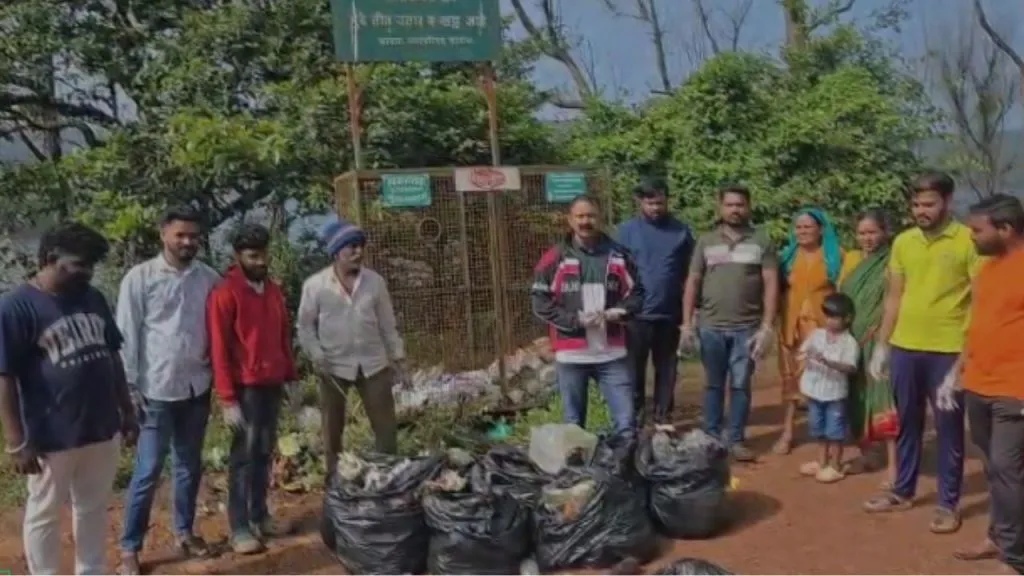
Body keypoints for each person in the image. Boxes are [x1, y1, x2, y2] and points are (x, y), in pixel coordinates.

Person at [0, 223, 139, 575]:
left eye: (92, 265)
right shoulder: (16, 307)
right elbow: (5, 376)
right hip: (51, 434)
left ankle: (90, 570)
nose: (88, 272)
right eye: (79, 264)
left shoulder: (92, 297)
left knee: (92, 507)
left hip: (101, 425)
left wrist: (126, 408)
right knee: (44, 511)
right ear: (49, 259)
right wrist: (16, 441)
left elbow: (112, 355)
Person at [863, 172, 980, 535]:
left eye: (928, 203)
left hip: (948, 350)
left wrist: (966, 356)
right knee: (907, 423)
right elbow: (894, 296)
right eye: (915, 204)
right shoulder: (903, 242)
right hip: (905, 347)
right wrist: (882, 345)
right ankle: (903, 490)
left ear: (948, 201)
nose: (920, 211)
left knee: (948, 429)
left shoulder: (968, 240)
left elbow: (979, 299)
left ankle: (948, 503)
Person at [118, 206, 221, 574]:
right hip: (155, 391)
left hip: (196, 387)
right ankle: (130, 548)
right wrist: (129, 389)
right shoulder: (140, 278)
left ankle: (184, 531)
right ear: (163, 234)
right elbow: (126, 336)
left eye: (193, 235)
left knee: (188, 467)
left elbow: (218, 331)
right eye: (180, 235)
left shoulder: (208, 278)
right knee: (147, 471)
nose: (188, 241)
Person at [942, 195, 1024, 572]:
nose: (971, 237)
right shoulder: (988, 270)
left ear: (1005, 230)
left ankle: (1015, 556)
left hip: (1015, 389)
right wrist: (956, 371)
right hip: (978, 384)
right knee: (995, 469)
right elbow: (978, 328)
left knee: (1008, 470)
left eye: (977, 230)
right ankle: (999, 535)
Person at [207, 224, 298, 554]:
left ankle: (261, 516)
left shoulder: (272, 289)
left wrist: (291, 376)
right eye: (253, 256)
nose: (260, 261)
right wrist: (227, 399)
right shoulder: (225, 293)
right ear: (237, 257)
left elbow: (283, 335)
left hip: (271, 384)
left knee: (263, 453)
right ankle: (240, 526)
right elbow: (219, 348)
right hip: (244, 389)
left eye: (264, 255)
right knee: (242, 459)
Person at [296, 217, 409, 478]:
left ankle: (386, 476)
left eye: (360, 247)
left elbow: (387, 325)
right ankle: (334, 479)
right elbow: (304, 327)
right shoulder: (316, 286)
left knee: (385, 427)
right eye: (352, 247)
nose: (358, 252)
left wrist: (399, 359)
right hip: (333, 366)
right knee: (332, 427)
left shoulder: (375, 283)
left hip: (373, 364)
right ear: (337, 252)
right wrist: (316, 353)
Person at [531, 194, 643, 437]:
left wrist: (620, 312)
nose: (585, 221)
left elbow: (638, 293)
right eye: (580, 216)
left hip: (612, 353)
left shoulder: (620, 255)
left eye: (590, 215)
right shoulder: (554, 258)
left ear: (600, 218)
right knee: (574, 426)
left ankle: (624, 470)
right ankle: (578, 473)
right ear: (570, 220)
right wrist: (574, 321)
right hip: (571, 354)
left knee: (626, 422)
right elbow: (540, 301)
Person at [682, 185, 778, 461]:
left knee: (740, 384)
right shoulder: (706, 241)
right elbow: (693, 281)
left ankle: (735, 439)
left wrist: (767, 326)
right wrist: (687, 324)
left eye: (740, 205)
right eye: (730, 205)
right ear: (720, 207)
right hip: (710, 326)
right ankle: (712, 438)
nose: (735, 210)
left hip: (746, 328)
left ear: (749, 207)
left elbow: (771, 283)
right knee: (713, 384)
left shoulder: (761, 240)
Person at [617, 177, 694, 425]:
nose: (655, 208)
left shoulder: (681, 232)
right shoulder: (625, 232)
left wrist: (690, 315)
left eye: (660, 202)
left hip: (669, 314)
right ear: (640, 202)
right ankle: (635, 421)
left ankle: (663, 420)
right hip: (635, 317)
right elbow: (615, 272)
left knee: (667, 370)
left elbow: (691, 274)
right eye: (650, 203)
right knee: (633, 373)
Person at [774, 208, 846, 456]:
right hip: (790, 326)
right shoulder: (786, 258)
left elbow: (842, 292)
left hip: (821, 328)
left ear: (821, 230)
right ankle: (788, 432)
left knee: (826, 380)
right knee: (790, 378)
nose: (803, 232)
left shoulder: (835, 257)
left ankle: (830, 437)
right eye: (799, 227)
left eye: (808, 227)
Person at [840, 210, 900, 488]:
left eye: (872, 232)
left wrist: (882, 338)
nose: (867, 238)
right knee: (857, 398)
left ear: (885, 232)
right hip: (852, 341)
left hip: (879, 341)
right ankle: (868, 453)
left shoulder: (892, 261)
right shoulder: (853, 262)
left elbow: (893, 300)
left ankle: (894, 469)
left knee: (884, 402)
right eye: (862, 233)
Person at [797, 293, 859, 483]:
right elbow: (802, 351)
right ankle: (822, 462)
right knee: (818, 429)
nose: (830, 321)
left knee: (835, 432)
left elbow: (850, 367)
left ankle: (836, 465)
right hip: (815, 392)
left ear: (847, 318)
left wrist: (829, 362)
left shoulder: (849, 343)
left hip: (835, 395)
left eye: (834, 317)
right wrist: (804, 357)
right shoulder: (817, 335)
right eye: (828, 316)